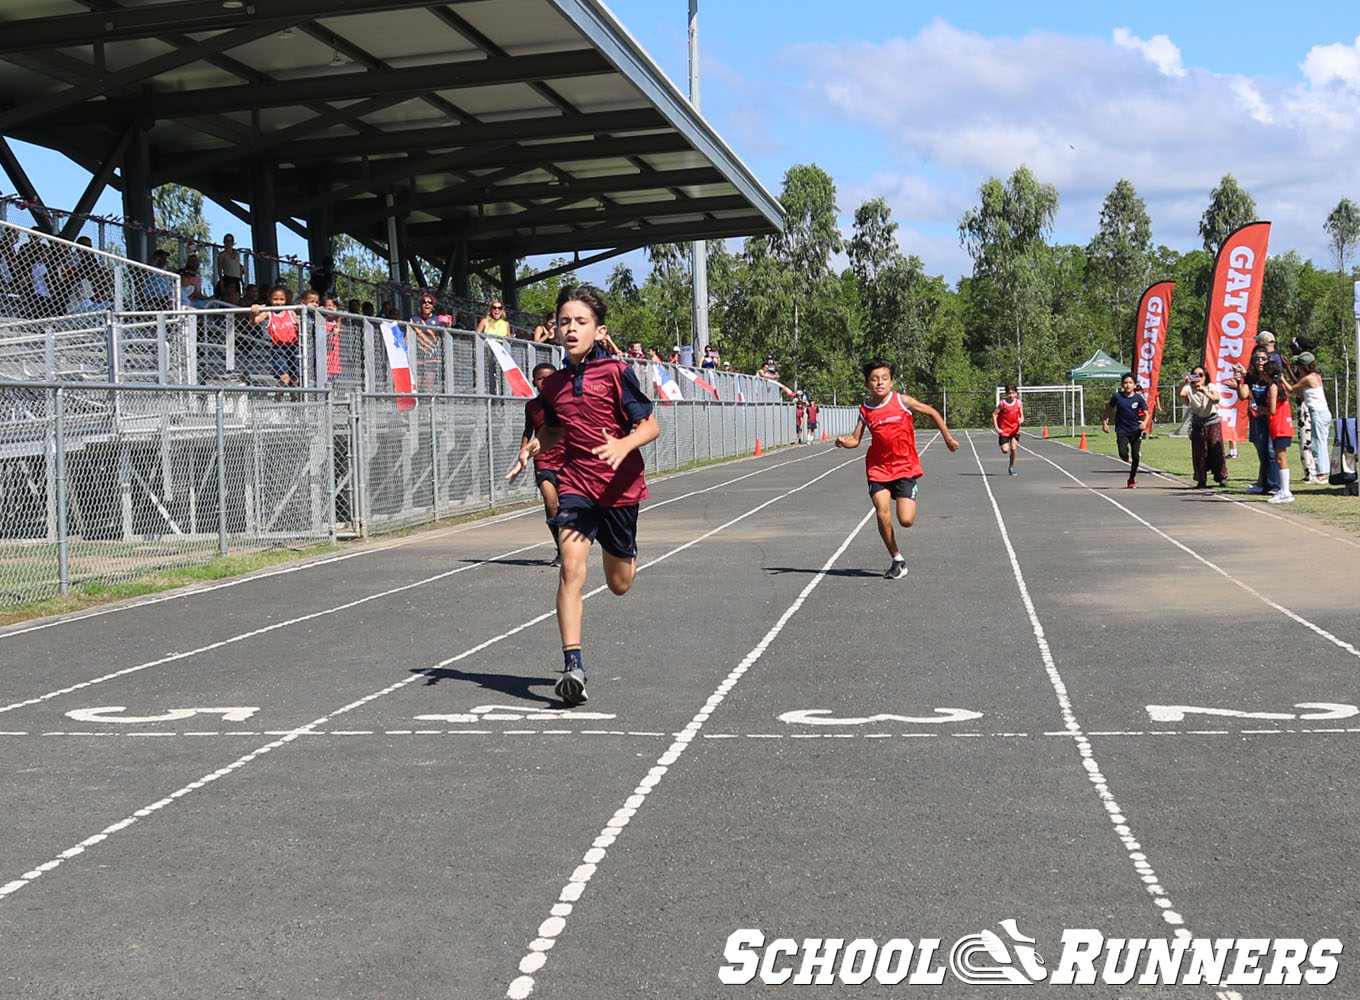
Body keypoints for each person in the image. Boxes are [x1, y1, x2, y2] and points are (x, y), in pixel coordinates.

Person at [503, 285, 659, 706]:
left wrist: (623, 445)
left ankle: (625, 552)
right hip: (576, 486)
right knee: (571, 568)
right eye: (564, 321)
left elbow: (650, 426)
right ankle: (573, 666)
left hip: (620, 488)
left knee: (619, 583)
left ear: (599, 330)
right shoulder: (552, 386)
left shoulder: (615, 372)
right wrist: (534, 446)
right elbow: (553, 430)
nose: (570, 328)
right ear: (554, 329)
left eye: (580, 322)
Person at [834, 358, 960, 579]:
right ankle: (897, 559)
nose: (879, 383)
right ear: (867, 384)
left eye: (884, 379)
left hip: (904, 467)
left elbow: (932, 412)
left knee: (906, 520)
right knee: (882, 513)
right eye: (874, 379)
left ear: (891, 382)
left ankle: (908, 492)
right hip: (878, 468)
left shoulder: (902, 401)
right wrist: (844, 442)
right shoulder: (866, 410)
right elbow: (856, 439)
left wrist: (948, 438)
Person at [521, 362, 568, 567]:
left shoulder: (564, 402)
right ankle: (560, 548)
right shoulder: (531, 406)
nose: (545, 382)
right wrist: (524, 451)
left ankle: (572, 545)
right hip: (544, 459)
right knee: (551, 504)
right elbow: (528, 429)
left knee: (569, 506)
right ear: (534, 382)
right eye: (541, 379)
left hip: (567, 459)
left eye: (549, 378)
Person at [1228, 348, 1281, 495]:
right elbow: (1243, 395)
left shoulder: (1272, 377)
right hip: (1258, 418)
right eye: (1257, 359)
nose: (1260, 362)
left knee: (1271, 452)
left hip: (1272, 418)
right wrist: (1239, 380)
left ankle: (1276, 486)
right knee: (1263, 452)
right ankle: (1264, 484)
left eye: (1263, 359)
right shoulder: (1251, 377)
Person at [1283, 351, 1331, 484]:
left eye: (1299, 366)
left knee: (1317, 444)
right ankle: (1324, 472)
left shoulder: (1308, 378)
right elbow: (1300, 394)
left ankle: (1321, 475)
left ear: (1303, 367)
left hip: (1318, 413)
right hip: (1324, 412)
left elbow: (1292, 389)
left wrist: (1281, 378)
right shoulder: (1316, 376)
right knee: (1321, 443)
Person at [1178, 365, 1228, 489]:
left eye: (1201, 375)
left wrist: (1204, 391)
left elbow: (1216, 399)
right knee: (1199, 452)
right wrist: (1183, 382)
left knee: (1217, 449)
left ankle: (1221, 477)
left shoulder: (1210, 387)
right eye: (1195, 375)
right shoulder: (1189, 388)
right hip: (1198, 423)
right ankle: (1201, 478)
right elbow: (1180, 395)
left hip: (1212, 421)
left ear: (1205, 377)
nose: (1198, 378)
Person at [1102, 373, 1149, 488]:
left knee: (1136, 456)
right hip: (1121, 429)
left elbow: (1147, 414)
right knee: (1123, 453)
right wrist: (1104, 422)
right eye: (1125, 383)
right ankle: (1125, 455)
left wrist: (1144, 423)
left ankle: (1131, 479)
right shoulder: (1117, 397)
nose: (1128, 385)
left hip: (1135, 430)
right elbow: (1108, 410)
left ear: (1134, 385)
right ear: (1122, 384)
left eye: (1130, 383)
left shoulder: (1139, 398)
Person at [250, 284, 299, 387]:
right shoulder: (269, 313)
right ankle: (278, 398)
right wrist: (254, 312)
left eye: (282, 299)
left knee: (295, 378)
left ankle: (294, 400)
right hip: (279, 348)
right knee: (285, 378)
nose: (279, 302)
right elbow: (254, 321)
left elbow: (300, 323)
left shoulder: (290, 311)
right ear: (270, 299)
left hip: (294, 347)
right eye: (275, 299)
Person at [1264, 359, 1296, 503]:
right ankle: (1283, 490)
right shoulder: (1279, 385)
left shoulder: (1274, 387)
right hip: (1281, 425)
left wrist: (1260, 410)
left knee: (1281, 458)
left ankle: (1286, 491)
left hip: (1280, 425)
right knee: (1279, 458)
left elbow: (1272, 409)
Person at [408, 291, 452, 392]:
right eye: (424, 302)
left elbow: (448, 332)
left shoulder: (439, 319)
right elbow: (408, 336)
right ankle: (417, 406)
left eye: (430, 302)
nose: (427, 304)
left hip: (432, 356)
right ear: (420, 305)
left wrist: (449, 325)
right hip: (417, 356)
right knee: (416, 386)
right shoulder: (414, 319)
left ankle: (428, 406)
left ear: (433, 306)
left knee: (428, 386)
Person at [991, 383, 1023, 476]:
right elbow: (994, 414)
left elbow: (1022, 416)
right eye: (1009, 393)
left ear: (1016, 393)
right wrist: (997, 428)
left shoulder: (1019, 403)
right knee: (1005, 450)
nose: (1011, 395)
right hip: (1004, 430)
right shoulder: (1002, 403)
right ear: (1006, 394)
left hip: (1014, 429)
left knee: (1013, 448)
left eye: (1013, 393)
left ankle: (1011, 467)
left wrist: (1021, 419)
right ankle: (1006, 443)